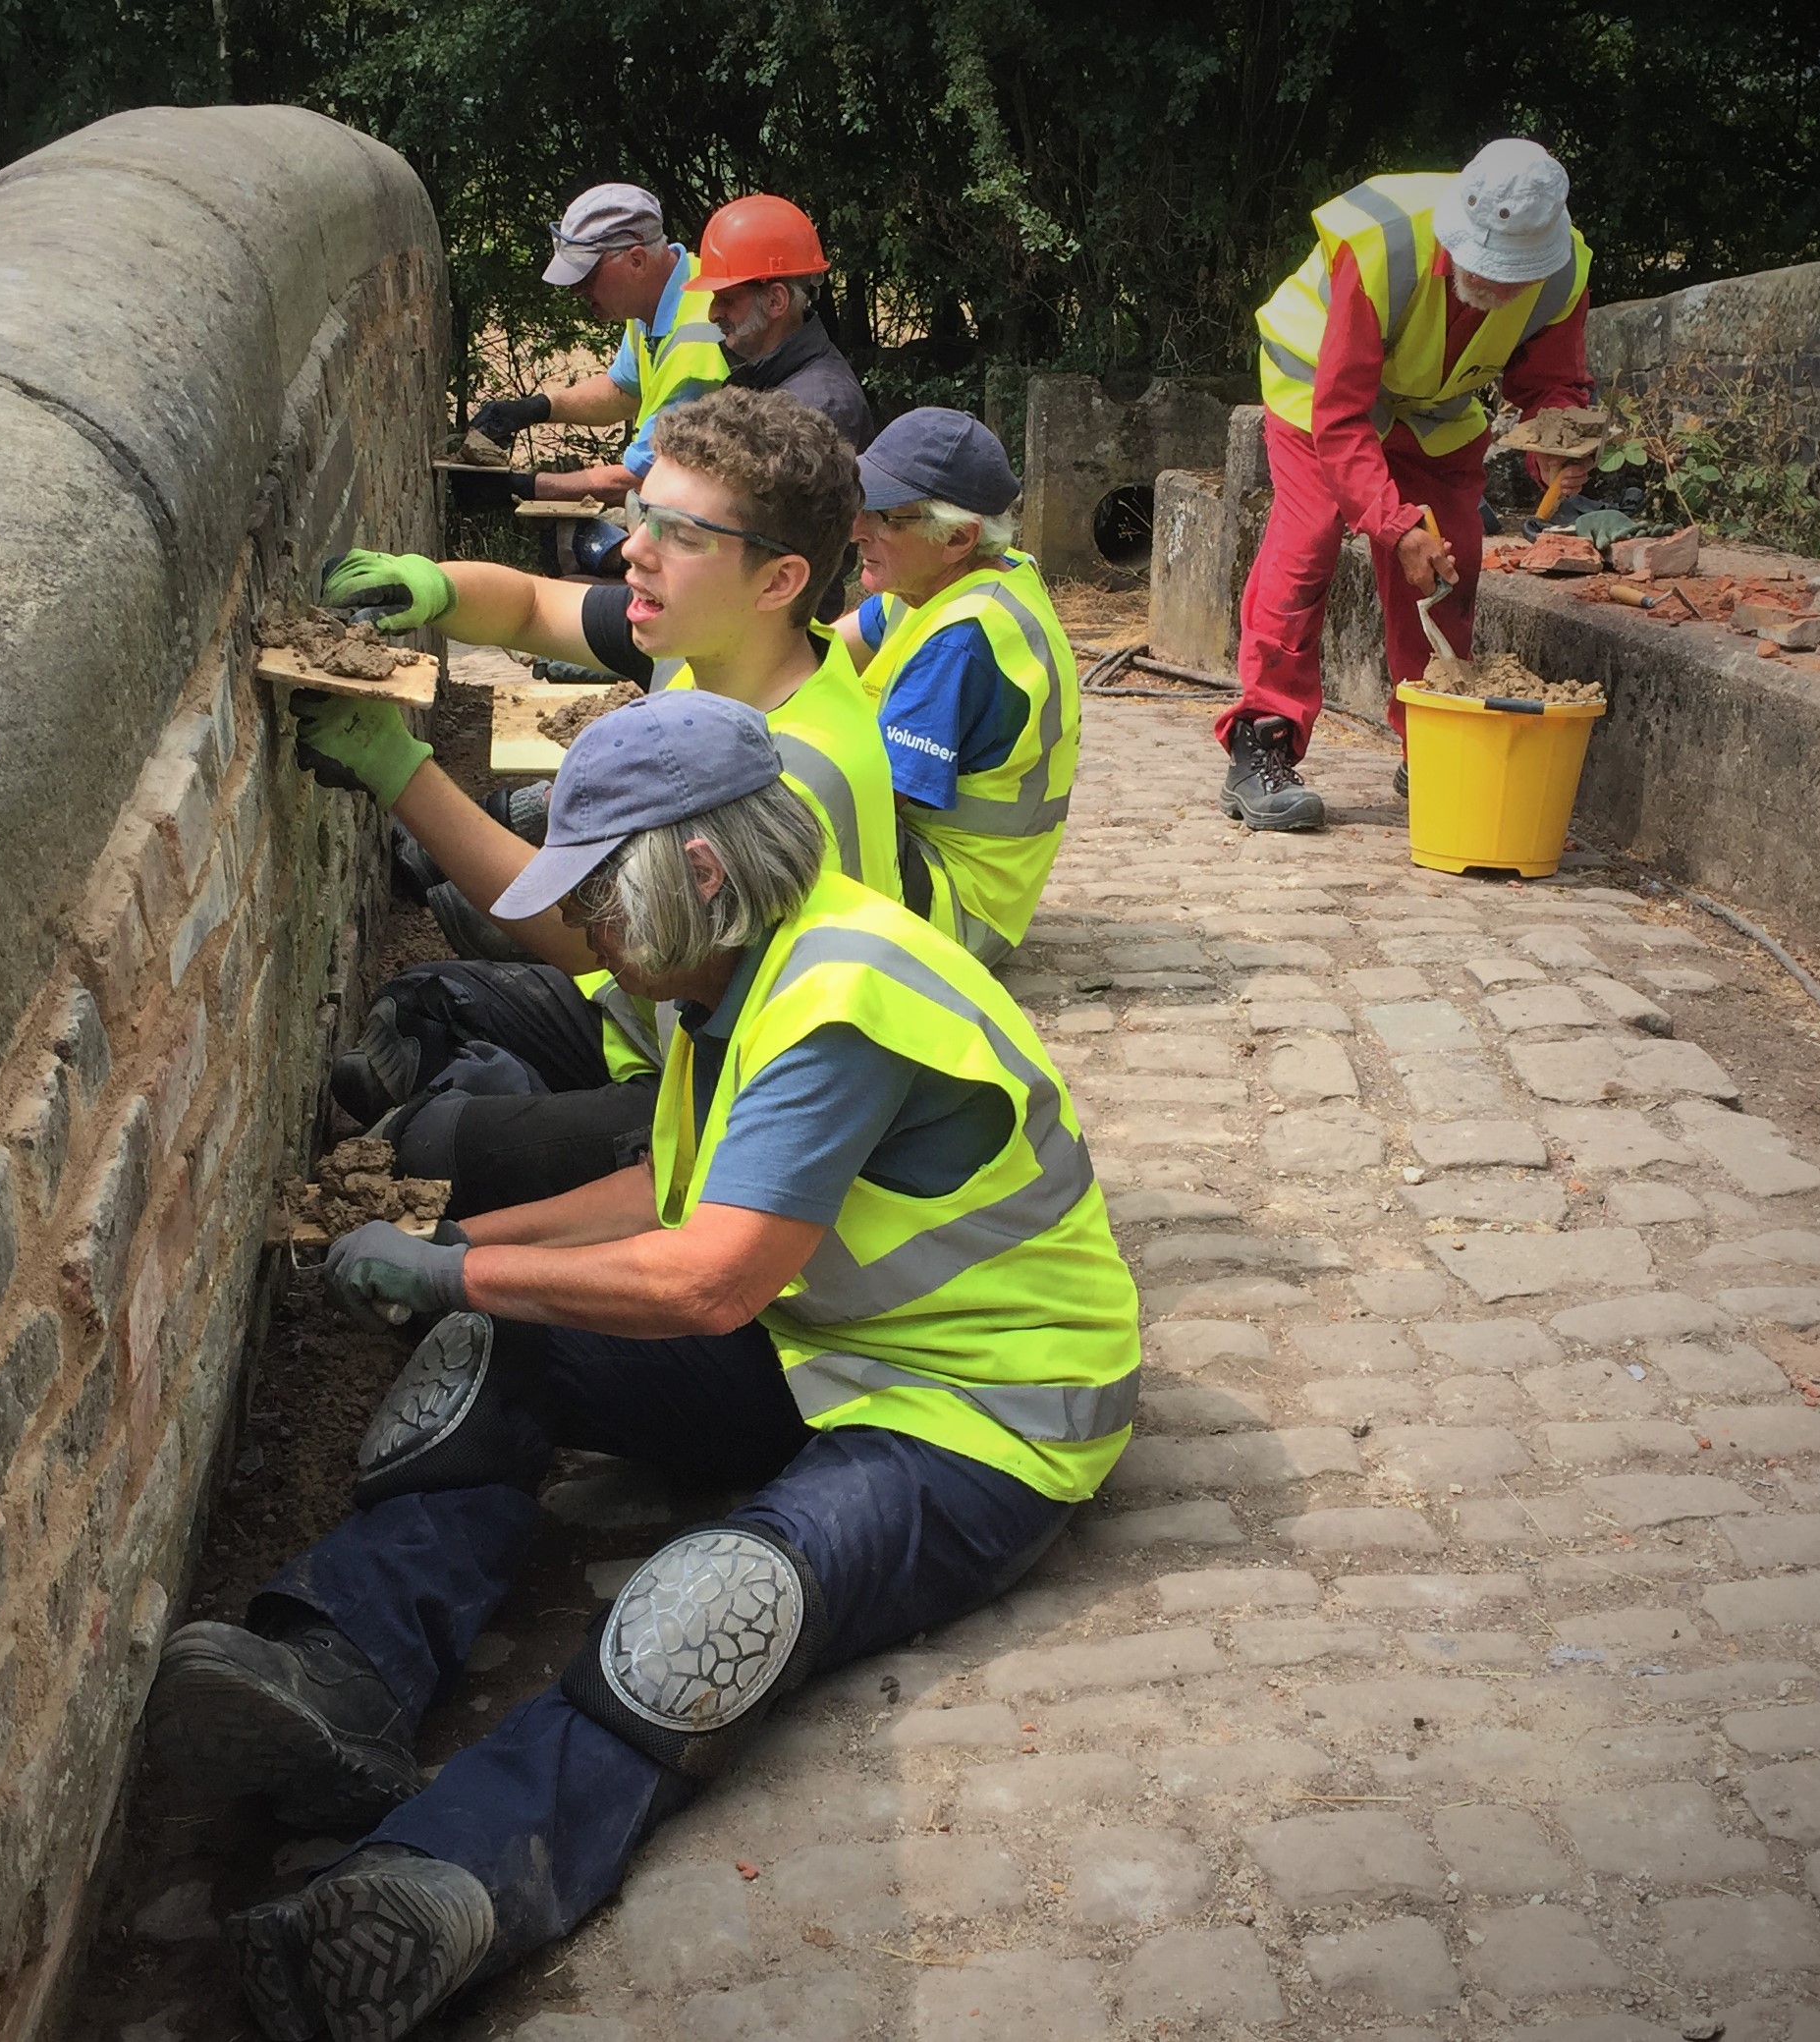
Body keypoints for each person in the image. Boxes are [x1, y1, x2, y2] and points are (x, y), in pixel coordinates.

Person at [144, 692, 1142, 2042]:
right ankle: (340, 1673)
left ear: (704, 872)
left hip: (982, 1414)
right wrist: (456, 1244)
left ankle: (439, 1882)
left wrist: (452, 1263)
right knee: (493, 1351)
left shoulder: (835, 996)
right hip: (824, 1349)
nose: (587, 939)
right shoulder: (730, 961)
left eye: (601, 905)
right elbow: (659, 1190)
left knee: (714, 1610)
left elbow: (705, 1275)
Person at [301, 388, 900, 1214]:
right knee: (427, 1000)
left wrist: (394, 766)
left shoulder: (785, 777)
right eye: (644, 515)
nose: (633, 552)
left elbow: (579, 933)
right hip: (644, 1017)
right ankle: (508, 1112)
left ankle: (531, 1156)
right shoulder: (717, 644)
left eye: (680, 535)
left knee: (421, 1156)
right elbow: (540, 605)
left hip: (716, 1101)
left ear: (780, 580)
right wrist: (428, 586)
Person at [1222, 137, 1597, 830]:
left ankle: (1432, 738)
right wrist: (1392, 526)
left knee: (1450, 551)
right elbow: (1340, 417)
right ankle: (1261, 741)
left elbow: (1549, 382)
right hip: (1319, 380)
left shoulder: (1561, 271)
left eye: (1508, 273)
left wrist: (1557, 444)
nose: (1491, 283)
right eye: (1480, 262)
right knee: (1308, 540)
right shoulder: (1380, 249)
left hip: (1429, 402)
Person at [838, 408, 1078, 965]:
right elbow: (812, 654)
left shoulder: (963, 640)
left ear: (957, 537)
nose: (857, 531)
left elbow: (860, 806)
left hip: (948, 913)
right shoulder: (957, 582)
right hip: (964, 890)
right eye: (862, 507)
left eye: (884, 517)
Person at [465, 184, 731, 506]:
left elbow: (642, 478)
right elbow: (623, 392)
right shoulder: (660, 296)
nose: (577, 291)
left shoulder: (696, 347)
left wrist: (522, 488)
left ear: (636, 260)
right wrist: (533, 409)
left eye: (587, 276)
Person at [700, 194, 873, 454]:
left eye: (726, 298)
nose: (713, 313)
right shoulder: (771, 381)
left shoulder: (817, 409)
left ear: (775, 300)